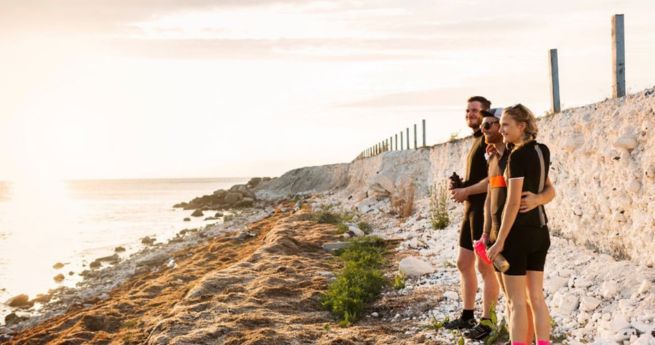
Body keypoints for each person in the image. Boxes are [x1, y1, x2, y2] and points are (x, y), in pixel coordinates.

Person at [464, 108, 555, 342]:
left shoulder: (516, 156)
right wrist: (538, 199)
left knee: (515, 302)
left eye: (504, 125)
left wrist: (499, 241)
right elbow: (546, 187)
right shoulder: (541, 149)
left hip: (516, 237)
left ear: (521, 126)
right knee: (536, 297)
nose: (499, 130)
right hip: (540, 232)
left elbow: (513, 203)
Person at [445, 96, 499, 330]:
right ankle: (468, 316)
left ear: (486, 113)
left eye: (475, 111)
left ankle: (488, 321)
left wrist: (466, 190)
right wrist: (461, 185)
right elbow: (479, 177)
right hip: (471, 210)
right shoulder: (477, 140)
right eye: (467, 110)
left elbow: (494, 180)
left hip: (484, 211)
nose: (470, 114)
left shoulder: (490, 142)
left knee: (485, 267)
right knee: (463, 263)